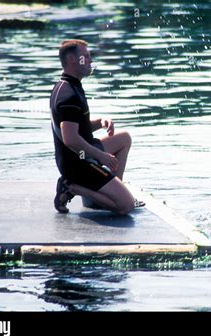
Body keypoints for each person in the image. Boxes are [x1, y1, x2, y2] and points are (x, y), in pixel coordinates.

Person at [50, 39, 142, 214]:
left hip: (81, 152)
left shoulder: (70, 85)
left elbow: (78, 128)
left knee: (124, 138)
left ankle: (110, 190)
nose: (91, 61)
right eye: (86, 57)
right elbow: (70, 139)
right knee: (126, 206)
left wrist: (100, 122)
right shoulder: (68, 95)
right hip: (77, 163)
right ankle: (72, 187)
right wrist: (102, 156)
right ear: (71, 60)